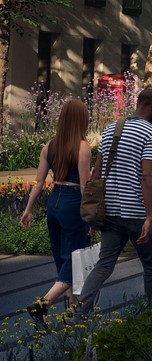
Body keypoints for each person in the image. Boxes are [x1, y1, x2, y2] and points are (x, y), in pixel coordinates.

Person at [77, 88, 152, 316]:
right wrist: (148, 216)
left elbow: (96, 172)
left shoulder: (110, 130)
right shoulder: (151, 134)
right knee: (151, 265)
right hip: (136, 213)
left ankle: (78, 315)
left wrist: (92, 210)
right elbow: (147, 176)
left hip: (111, 212)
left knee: (104, 265)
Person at [20, 99, 92, 322]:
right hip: (73, 204)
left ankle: (73, 310)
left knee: (64, 259)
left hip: (55, 202)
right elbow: (84, 186)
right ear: (81, 120)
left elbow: (39, 182)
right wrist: (91, 217)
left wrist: (28, 209)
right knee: (76, 260)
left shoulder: (49, 146)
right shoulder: (82, 147)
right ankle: (43, 304)